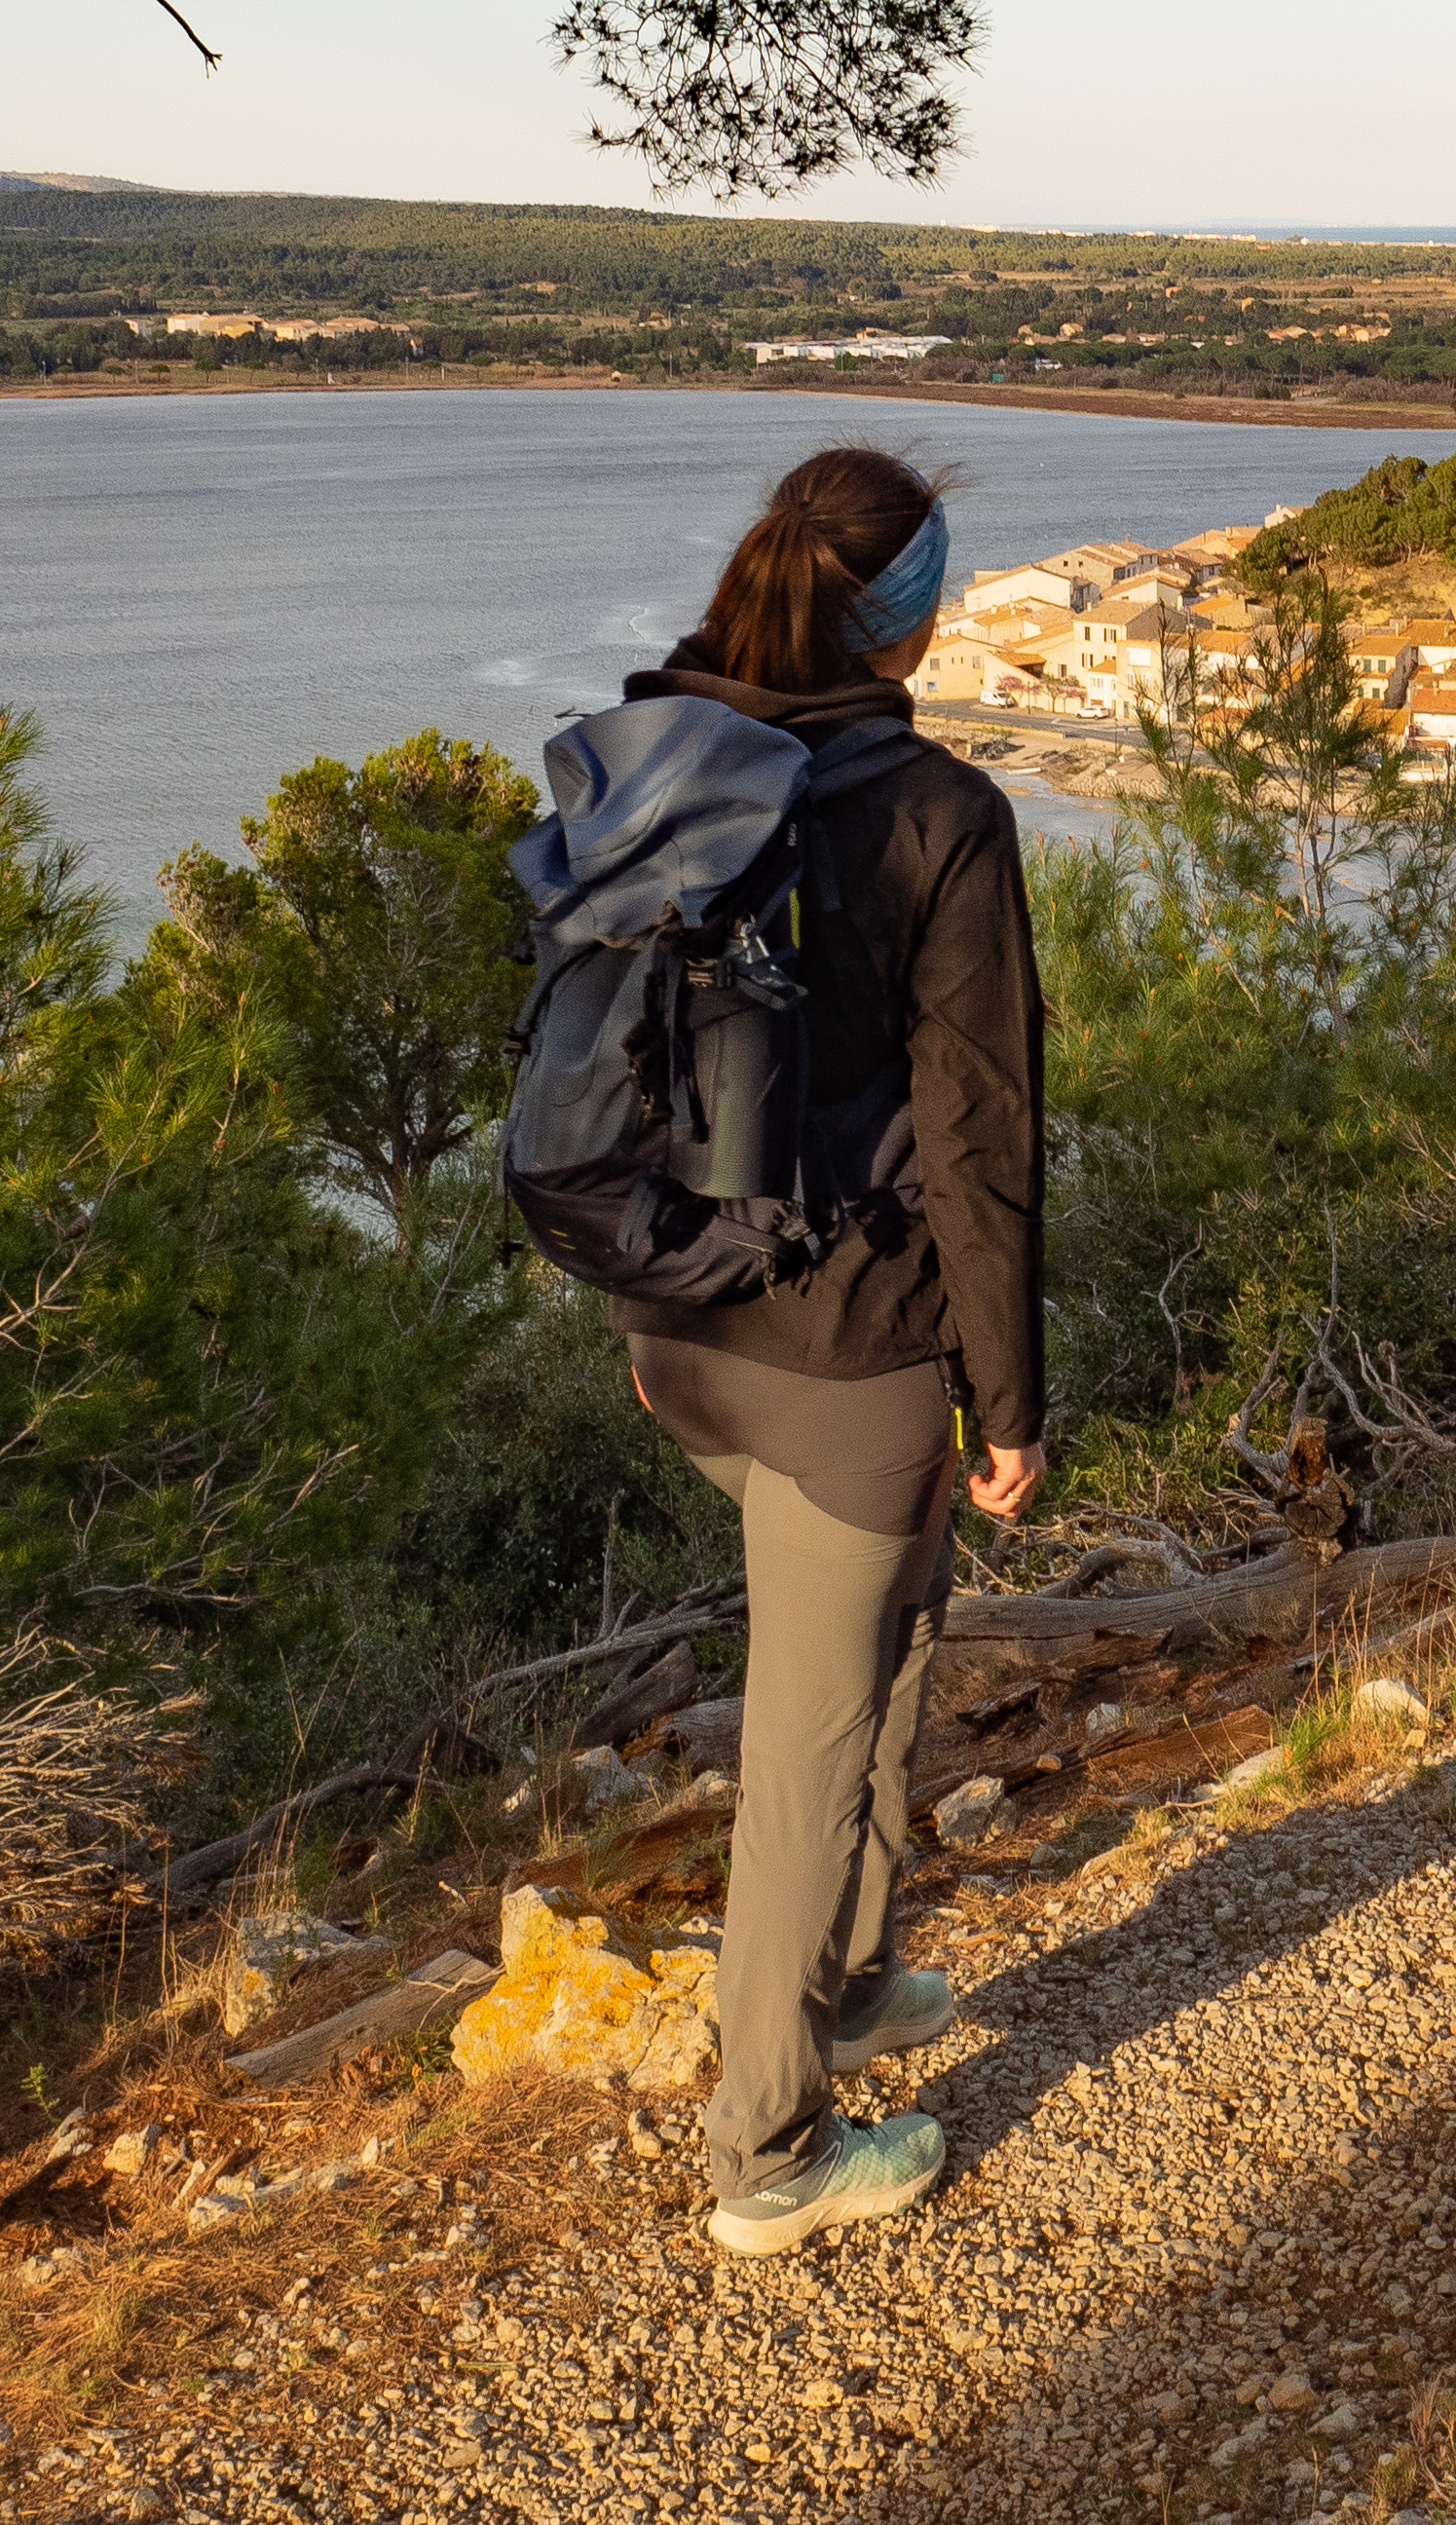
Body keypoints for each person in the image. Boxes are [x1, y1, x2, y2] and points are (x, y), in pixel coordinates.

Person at [609, 445, 1046, 2258]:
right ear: (914, 610)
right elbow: (981, 1138)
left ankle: (848, 1980)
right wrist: (1008, 1400)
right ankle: (769, 2153)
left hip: (682, 1325)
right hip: (847, 1350)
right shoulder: (938, 814)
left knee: (895, 1633)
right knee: (805, 1746)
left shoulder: (669, 752)